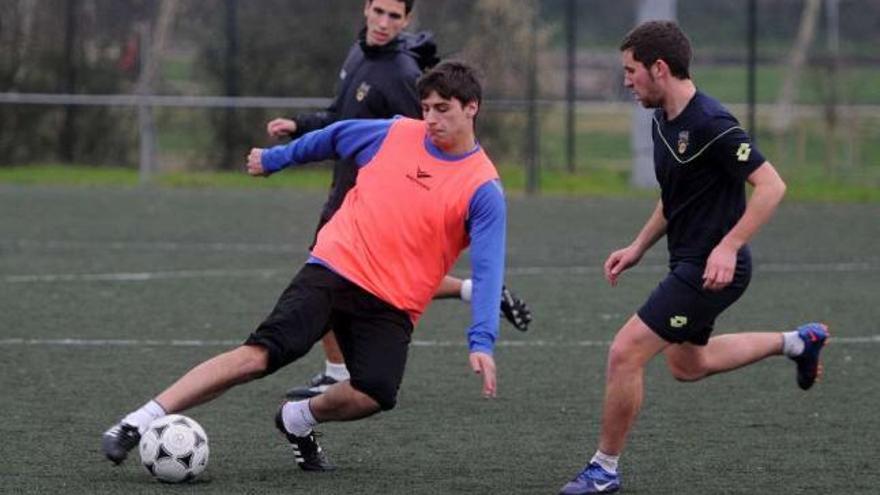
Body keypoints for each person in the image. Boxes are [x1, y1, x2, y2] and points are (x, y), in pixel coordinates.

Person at [103, 61, 507, 473]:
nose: (431, 119)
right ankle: (138, 421)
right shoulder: (395, 133)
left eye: (443, 109)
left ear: (471, 107)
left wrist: (482, 341)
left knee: (375, 394)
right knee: (258, 357)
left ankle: (296, 419)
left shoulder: (482, 187)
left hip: (392, 303)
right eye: (426, 108)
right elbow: (334, 137)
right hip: (336, 267)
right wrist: (277, 158)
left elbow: (490, 269)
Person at [558, 21, 829, 494]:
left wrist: (729, 245)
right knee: (688, 365)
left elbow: (772, 186)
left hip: (710, 268)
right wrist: (638, 246)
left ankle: (603, 471)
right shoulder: (662, 119)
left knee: (625, 353)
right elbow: (674, 196)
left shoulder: (712, 123)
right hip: (687, 261)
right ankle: (797, 343)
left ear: (659, 68)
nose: (626, 81)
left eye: (630, 70)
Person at [266, 0, 531, 400]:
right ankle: (472, 291)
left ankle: (338, 372)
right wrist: (300, 126)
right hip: (347, 187)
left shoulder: (404, 73)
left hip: (376, 196)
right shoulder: (359, 54)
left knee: (340, 273)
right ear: (366, 9)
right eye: (379, 12)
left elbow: (424, 135)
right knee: (343, 274)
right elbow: (342, 116)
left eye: (394, 16)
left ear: (406, 21)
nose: (384, 22)